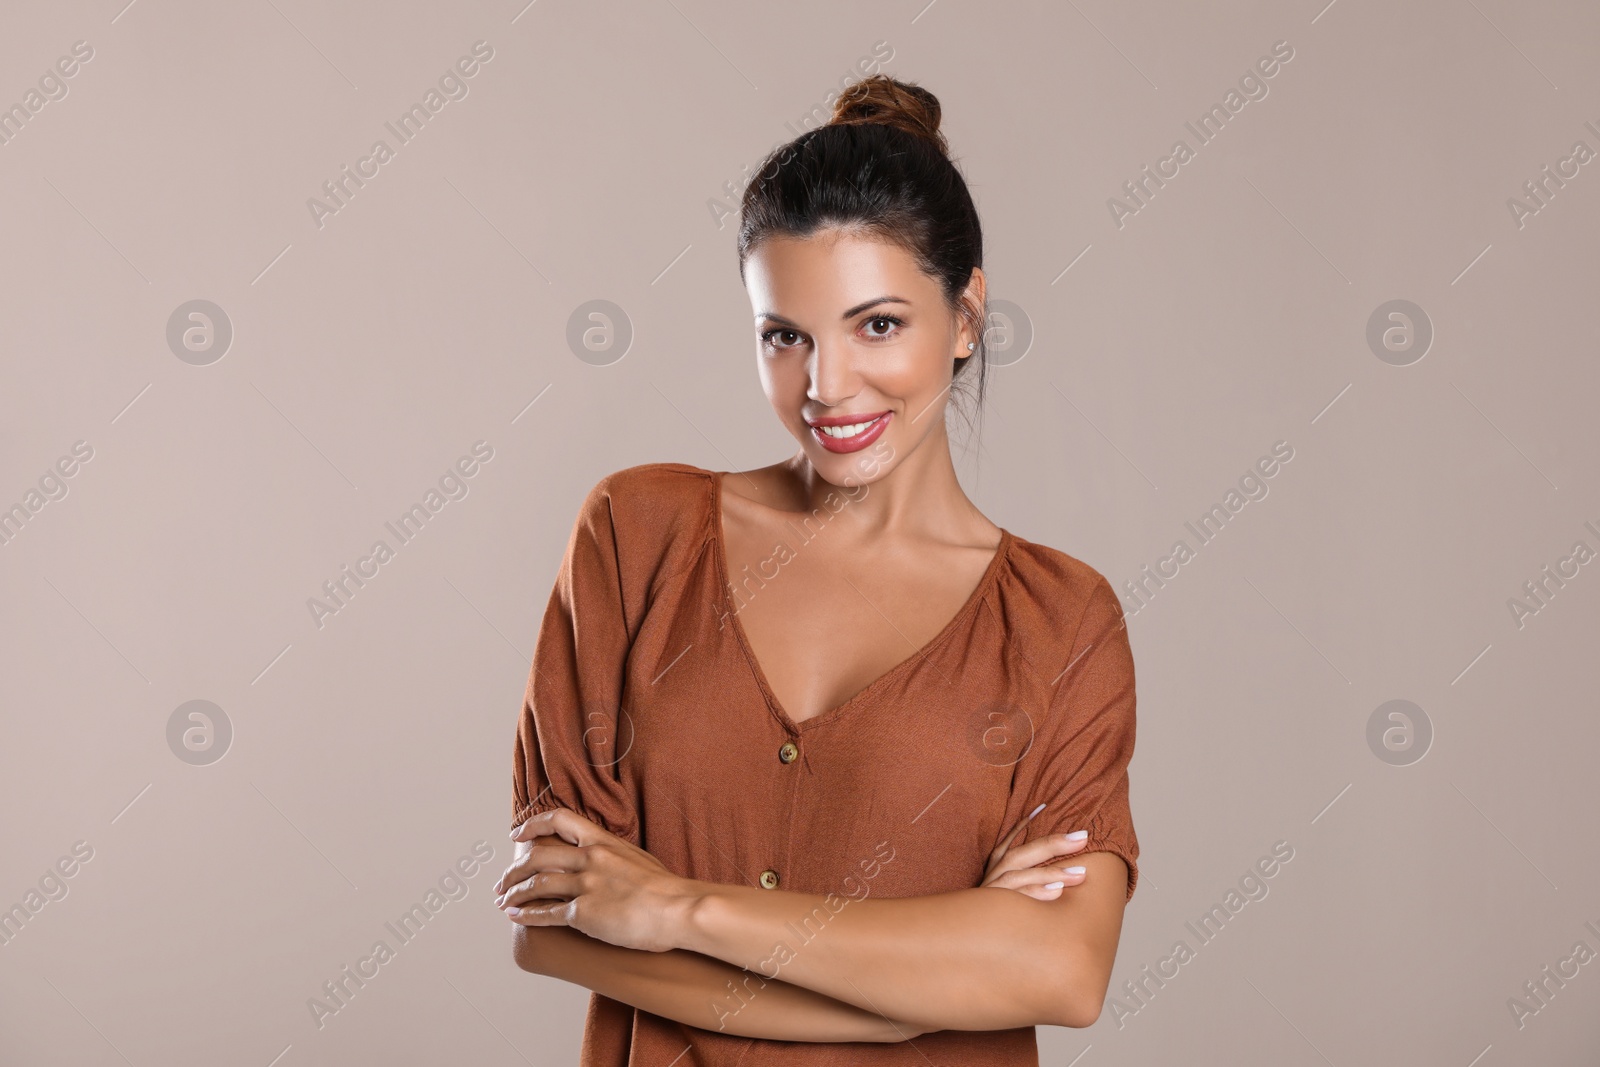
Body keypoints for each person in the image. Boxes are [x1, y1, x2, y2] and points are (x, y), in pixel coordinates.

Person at [494, 74, 1140, 1065]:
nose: (827, 386)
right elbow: (554, 925)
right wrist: (921, 988)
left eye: (876, 324)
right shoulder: (637, 536)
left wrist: (676, 907)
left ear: (965, 314)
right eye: (783, 336)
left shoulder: (1060, 624)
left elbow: (1060, 971)